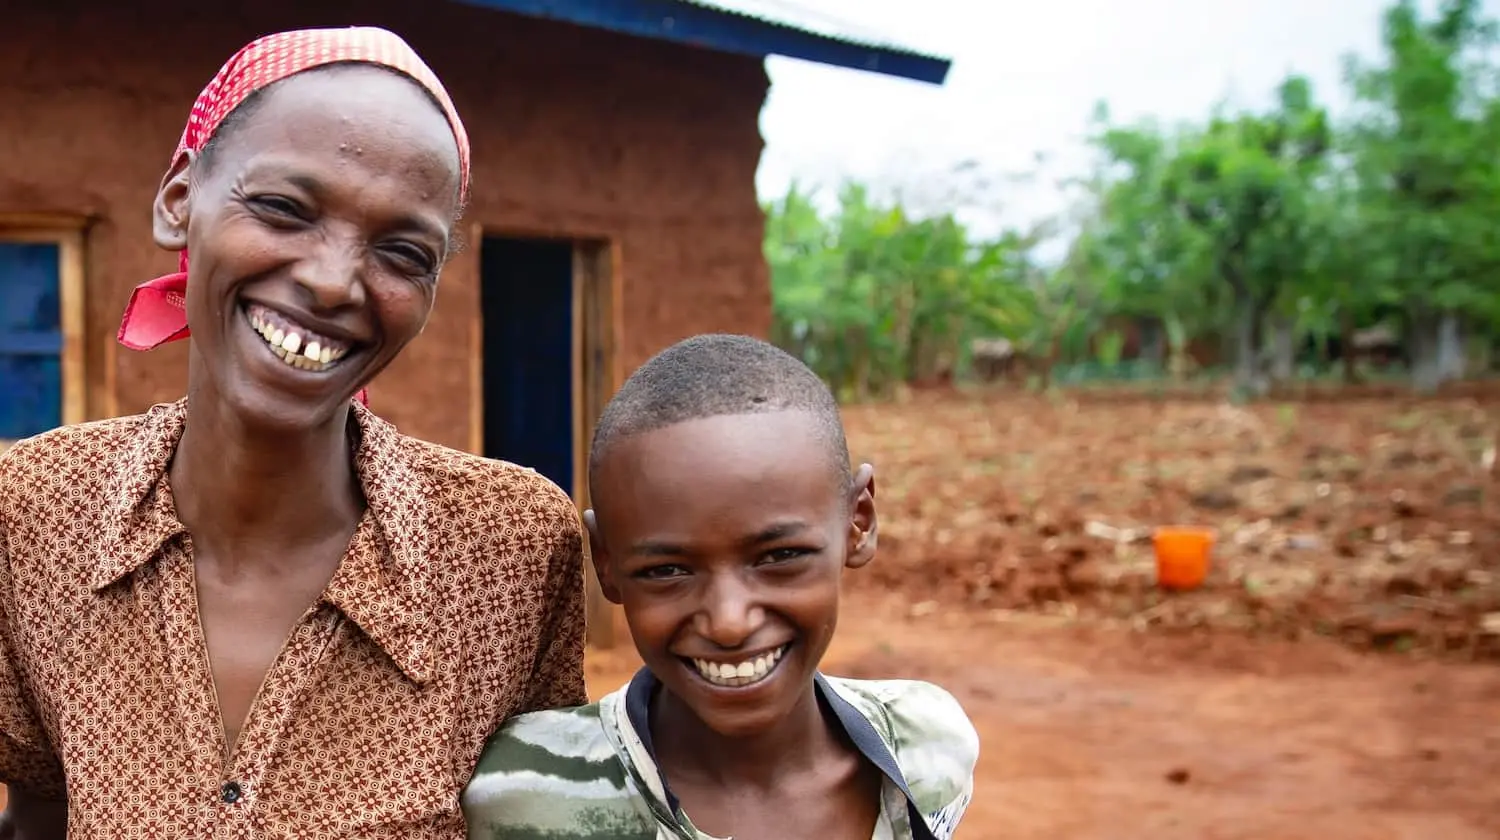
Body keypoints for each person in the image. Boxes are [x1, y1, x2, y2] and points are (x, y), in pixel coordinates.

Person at [0, 27, 585, 839]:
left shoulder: (510, 547)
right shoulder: (32, 516)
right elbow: (39, 808)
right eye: (282, 208)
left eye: (403, 252)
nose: (332, 279)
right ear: (180, 200)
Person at [462, 334, 979, 840]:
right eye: (667, 570)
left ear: (858, 522)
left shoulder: (924, 749)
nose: (729, 623)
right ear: (607, 562)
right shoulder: (529, 794)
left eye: (780, 557)